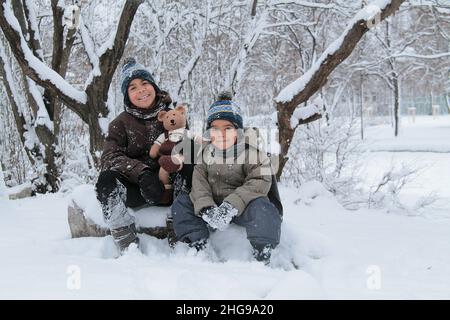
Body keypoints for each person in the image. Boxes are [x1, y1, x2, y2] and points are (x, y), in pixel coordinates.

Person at [171, 92, 282, 265]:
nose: (221, 133)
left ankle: (263, 252)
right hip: (213, 204)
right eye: (215, 128)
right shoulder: (206, 152)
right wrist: (207, 208)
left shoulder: (252, 153)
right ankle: (199, 245)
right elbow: (199, 183)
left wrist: (230, 207)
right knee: (182, 203)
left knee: (263, 209)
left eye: (228, 128)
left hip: (243, 207)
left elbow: (258, 182)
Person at [95, 58, 173, 253]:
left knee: (190, 167)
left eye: (145, 83)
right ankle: (124, 237)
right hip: (137, 187)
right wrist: (142, 173)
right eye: (133, 87)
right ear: (127, 95)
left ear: (154, 86)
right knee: (105, 181)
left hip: (169, 185)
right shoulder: (119, 124)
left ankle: (182, 227)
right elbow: (110, 157)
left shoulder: (172, 117)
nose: (141, 90)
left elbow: (186, 150)